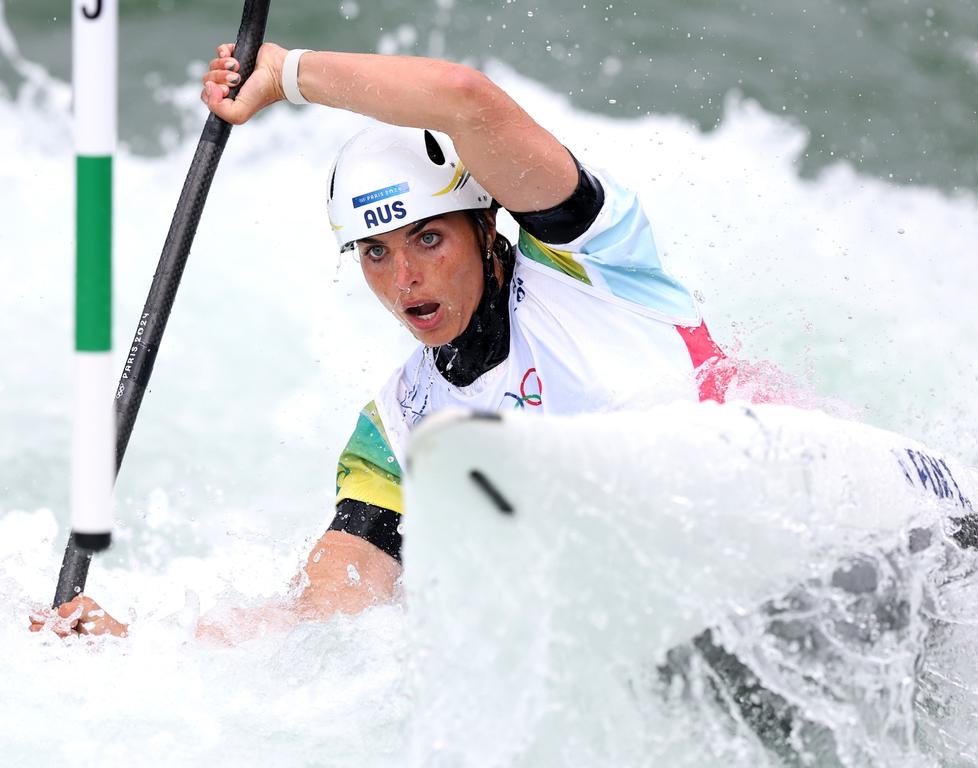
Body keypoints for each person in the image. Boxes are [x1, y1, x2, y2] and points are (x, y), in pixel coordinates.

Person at [31, 42, 728, 641]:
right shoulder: (397, 431)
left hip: (756, 516)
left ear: (486, 227)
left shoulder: (586, 262)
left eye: (428, 238)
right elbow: (327, 615)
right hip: (644, 609)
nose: (405, 278)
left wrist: (286, 74)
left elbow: (464, 97)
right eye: (375, 253)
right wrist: (132, 647)